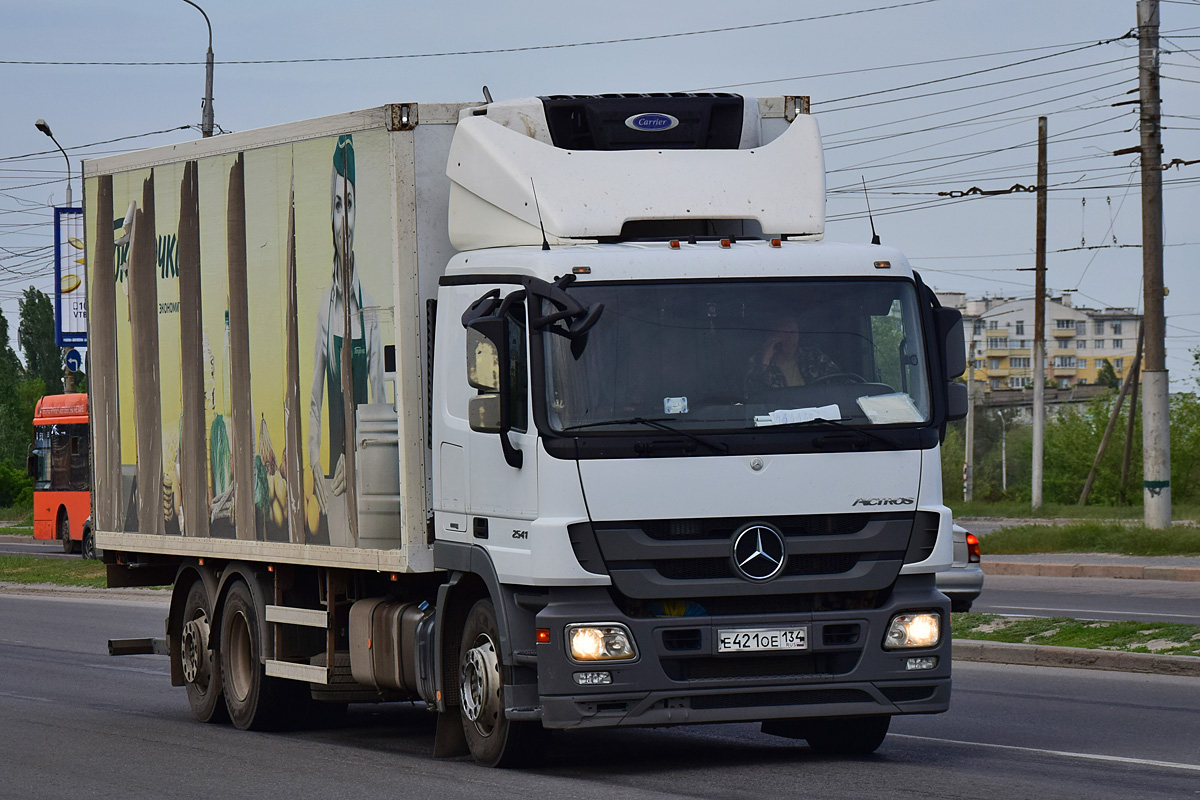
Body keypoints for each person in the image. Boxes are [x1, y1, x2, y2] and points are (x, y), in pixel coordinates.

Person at [308, 134, 384, 523]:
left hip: (363, 476)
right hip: (331, 483)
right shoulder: (325, 308)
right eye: (337, 205)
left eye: (349, 204)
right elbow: (315, 403)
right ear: (330, 215)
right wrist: (312, 464)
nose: (343, 219)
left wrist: (360, 460)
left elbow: (379, 404)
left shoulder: (369, 307)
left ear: (356, 216)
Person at [745, 315, 839, 395]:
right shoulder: (758, 361)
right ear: (773, 337)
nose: (790, 338)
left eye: (793, 332)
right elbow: (751, 397)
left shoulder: (813, 356)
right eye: (784, 334)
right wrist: (765, 361)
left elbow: (839, 381)